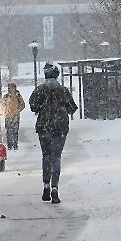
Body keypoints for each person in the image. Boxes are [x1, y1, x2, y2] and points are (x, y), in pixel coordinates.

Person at [28, 62, 77, 204]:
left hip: (44, 127)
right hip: (60, 128)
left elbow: (33, 106)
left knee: (46, 156)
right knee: (56, 157)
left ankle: (46, 186)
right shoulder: (63, 90)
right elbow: (72, 107)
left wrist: (43, 107)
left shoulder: (39, 90)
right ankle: (55, 187)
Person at [1, 83, 25, 150]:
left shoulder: (18, 96)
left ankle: (15, 145)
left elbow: (22, 105)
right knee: (8, 131)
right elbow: (3, 105)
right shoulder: (6, 96)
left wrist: (18, 110)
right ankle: (10, 145)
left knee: (15, 131)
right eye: (9, 88)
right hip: (8, 116)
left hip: (15, 116)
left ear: (15, 88)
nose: (10, 89)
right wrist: (4, 110)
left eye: (11, 87)